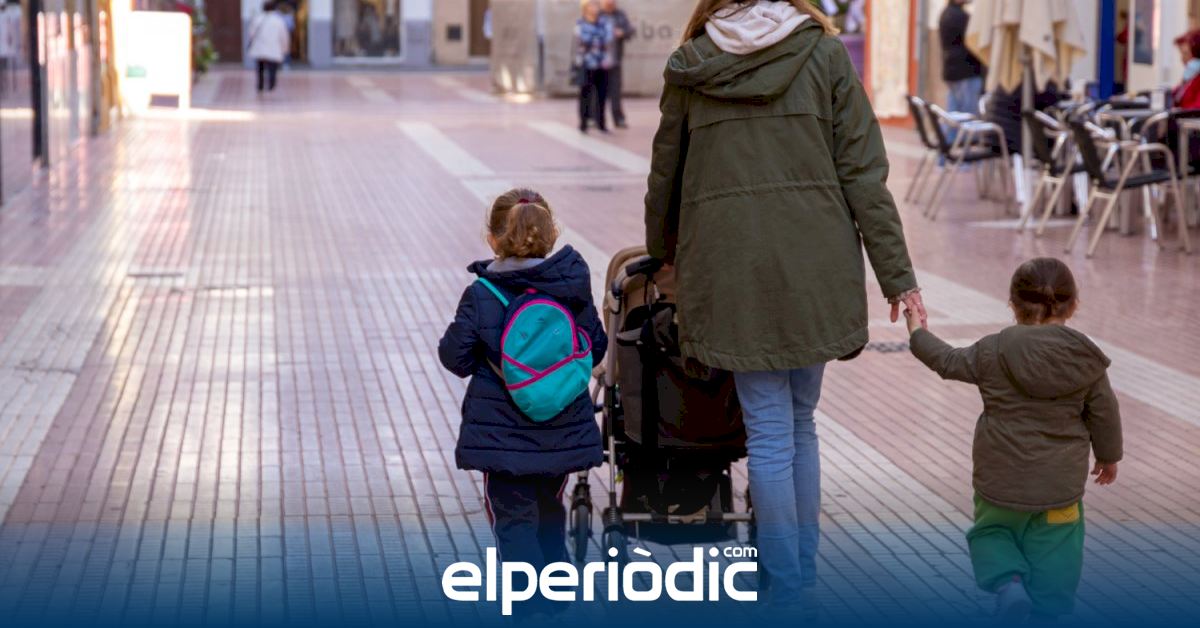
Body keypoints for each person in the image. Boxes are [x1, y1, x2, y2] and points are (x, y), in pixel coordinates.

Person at [644, 0, 926, 616]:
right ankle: (802, 577)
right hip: (814, 264)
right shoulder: (824, 53)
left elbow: (666, 172)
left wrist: (661, 254)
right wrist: (898, 277)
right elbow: (864, 174)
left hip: (732, 265)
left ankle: (787, 587)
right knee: (801, 424)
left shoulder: (692, 63)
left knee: (770, 433)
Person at [905, 257, 1122, 622]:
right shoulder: (1084, 358)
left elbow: (947, 361)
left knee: (992, 533)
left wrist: (917, 333)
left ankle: (1009, 583)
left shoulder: (993, 350)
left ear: (1012, 304)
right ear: (1073, 305)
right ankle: (1047, 613)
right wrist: (1108, 456)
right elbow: (1105, 411)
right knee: (1058, 551)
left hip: (1000, 481)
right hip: (1059, 485)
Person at [438, 189, 605, 619]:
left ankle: (526, 602)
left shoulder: (482, 293)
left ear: (493, 238)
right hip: (561, 429)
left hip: (502, 435)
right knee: (549, 508)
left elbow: (455, 358)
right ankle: (556, 594)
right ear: (551, 235)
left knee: (513, 520)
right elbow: (596, 347)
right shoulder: (571, 286)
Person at [575, 1, 615, 133]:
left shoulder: (605, 23)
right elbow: (582, 40)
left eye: (596, 5)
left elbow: (608, 39)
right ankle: (583, 123)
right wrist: (596, 40)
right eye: (591, 5)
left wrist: (594, 41)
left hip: (602, 64)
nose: (594, 8)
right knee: (585, 94)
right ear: (585, 8)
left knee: (602, 95)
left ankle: (601, 123)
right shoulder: (580, 24)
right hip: (586, 63)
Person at [601, 0, 634, 128]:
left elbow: (630, 30)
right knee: (597, 91)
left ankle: (618, 118)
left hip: (615, 60)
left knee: (616, 90)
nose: (610, 2)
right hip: (598, 61)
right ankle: (595, 118)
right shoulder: (597, 15)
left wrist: (622, 32)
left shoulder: (620, 15)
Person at [246, 2, 291, 93]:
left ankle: (260, 84)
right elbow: (284, 36)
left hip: (259, 47)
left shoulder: (257, 19)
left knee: (260, 67)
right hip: (273, 47)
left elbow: (251, 34)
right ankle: (271, 84)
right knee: (272, 67)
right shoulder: (278, 21)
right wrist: (285, 49)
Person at [1175, 30, 1200, 108]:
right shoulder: (1190, 77)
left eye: (1185, 54)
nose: (1182, 59)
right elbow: (1175, 97)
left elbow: (1196, 108)